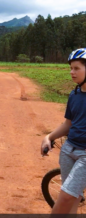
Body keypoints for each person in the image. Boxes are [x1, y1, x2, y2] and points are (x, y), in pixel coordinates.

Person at [41, 48, 86, 215]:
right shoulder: (74, 94)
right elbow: (68, 123)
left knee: (66, 197)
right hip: (68, 150)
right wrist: (49, 137)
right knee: (73, 200)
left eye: (76, 68)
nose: (72, 72)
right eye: (71, 68)